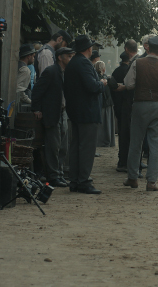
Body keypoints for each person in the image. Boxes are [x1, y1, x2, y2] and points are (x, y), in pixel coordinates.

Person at [123, 35, 158, 191]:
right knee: (156, 144)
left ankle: (132, 177)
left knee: (135, 143)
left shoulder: (137, 63)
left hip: (140, 105)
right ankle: (151, 181)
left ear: (148, 48)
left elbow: (128, 84)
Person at [63, 35, 107, 195]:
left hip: (76, 111)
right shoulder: (83, 63)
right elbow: (92, 86)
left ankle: (75, 180)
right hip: (87, 112)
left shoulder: (74, 63)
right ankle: (83, 181)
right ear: (89, 49)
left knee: (76, 147)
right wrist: (102, 84)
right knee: (87, 148)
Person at [31, 47, 75, 188]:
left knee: (63, 146)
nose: (71, 58)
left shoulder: (66, 72)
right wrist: (37, 109)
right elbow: (37, 90)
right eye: (69, 56)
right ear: (60, 57)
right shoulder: (51, 71)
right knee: (53, 147)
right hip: (52, 113)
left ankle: (59, 174)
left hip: (62, 111)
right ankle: (53, 176)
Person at [112, 41, 138, 172]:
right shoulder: (138, 63)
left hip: (124, 105)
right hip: (131, 105)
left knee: (125, 134)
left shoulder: (119, 70)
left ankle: (123, 161)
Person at [95, 61, 116, 148]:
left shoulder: (95, 78)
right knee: (107, 123)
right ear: (103, 69)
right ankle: (107, 140)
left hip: (99, 104)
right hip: (107, 103)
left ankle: (100, 141)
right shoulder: (106, 78)